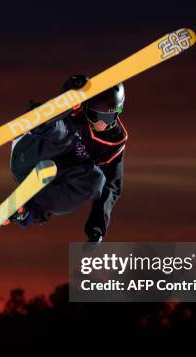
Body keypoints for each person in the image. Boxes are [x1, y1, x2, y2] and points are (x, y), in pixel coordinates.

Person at [8, 75, 128, 243]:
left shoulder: (114, 144)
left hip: (53, 175)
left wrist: (97, 228)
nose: (101, 124)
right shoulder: (77, 108)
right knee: (67, 133)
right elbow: (61, 121)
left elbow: (112, 187)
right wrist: (68, 94)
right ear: (87, 107)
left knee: (96, 180)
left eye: (109, 119)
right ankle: (41, 121)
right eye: (94, 116)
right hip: (28, 153)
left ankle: (31, 211)